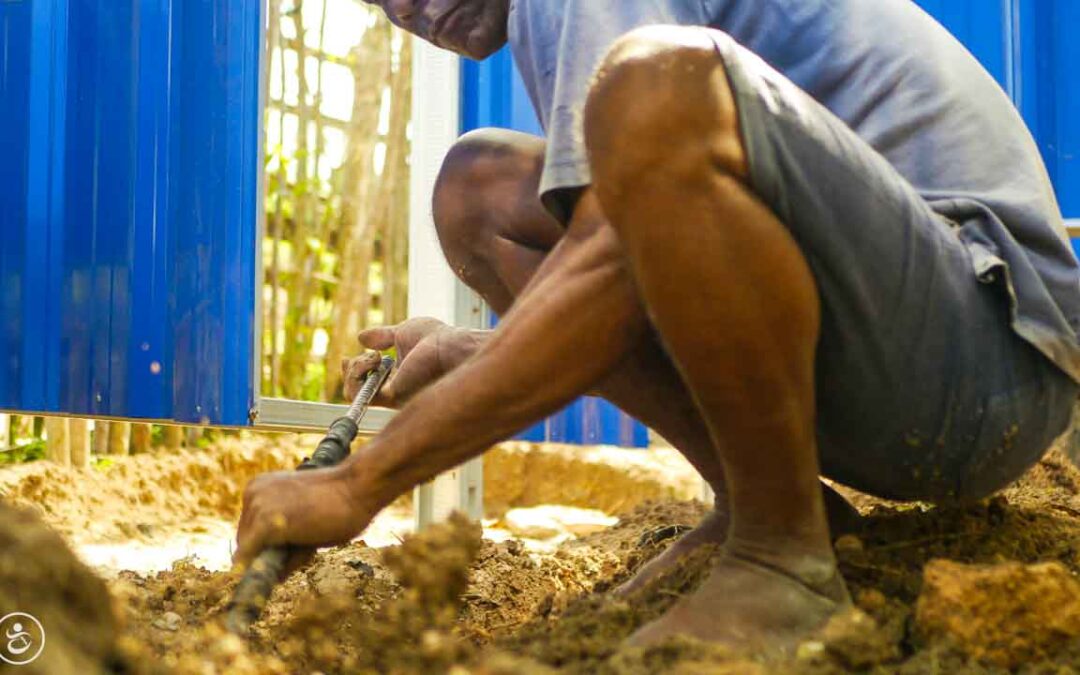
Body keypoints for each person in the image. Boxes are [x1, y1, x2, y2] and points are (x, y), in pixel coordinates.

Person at [236, 0, 1080, 651]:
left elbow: (614, 248)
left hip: (986, 360)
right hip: (888, 353)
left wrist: (360, 482)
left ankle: (783, 555)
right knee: (480, 192)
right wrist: (472, 348)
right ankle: (775, 506)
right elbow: (650, 253)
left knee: (658, 87)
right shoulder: (548, 27)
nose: (409, 10)